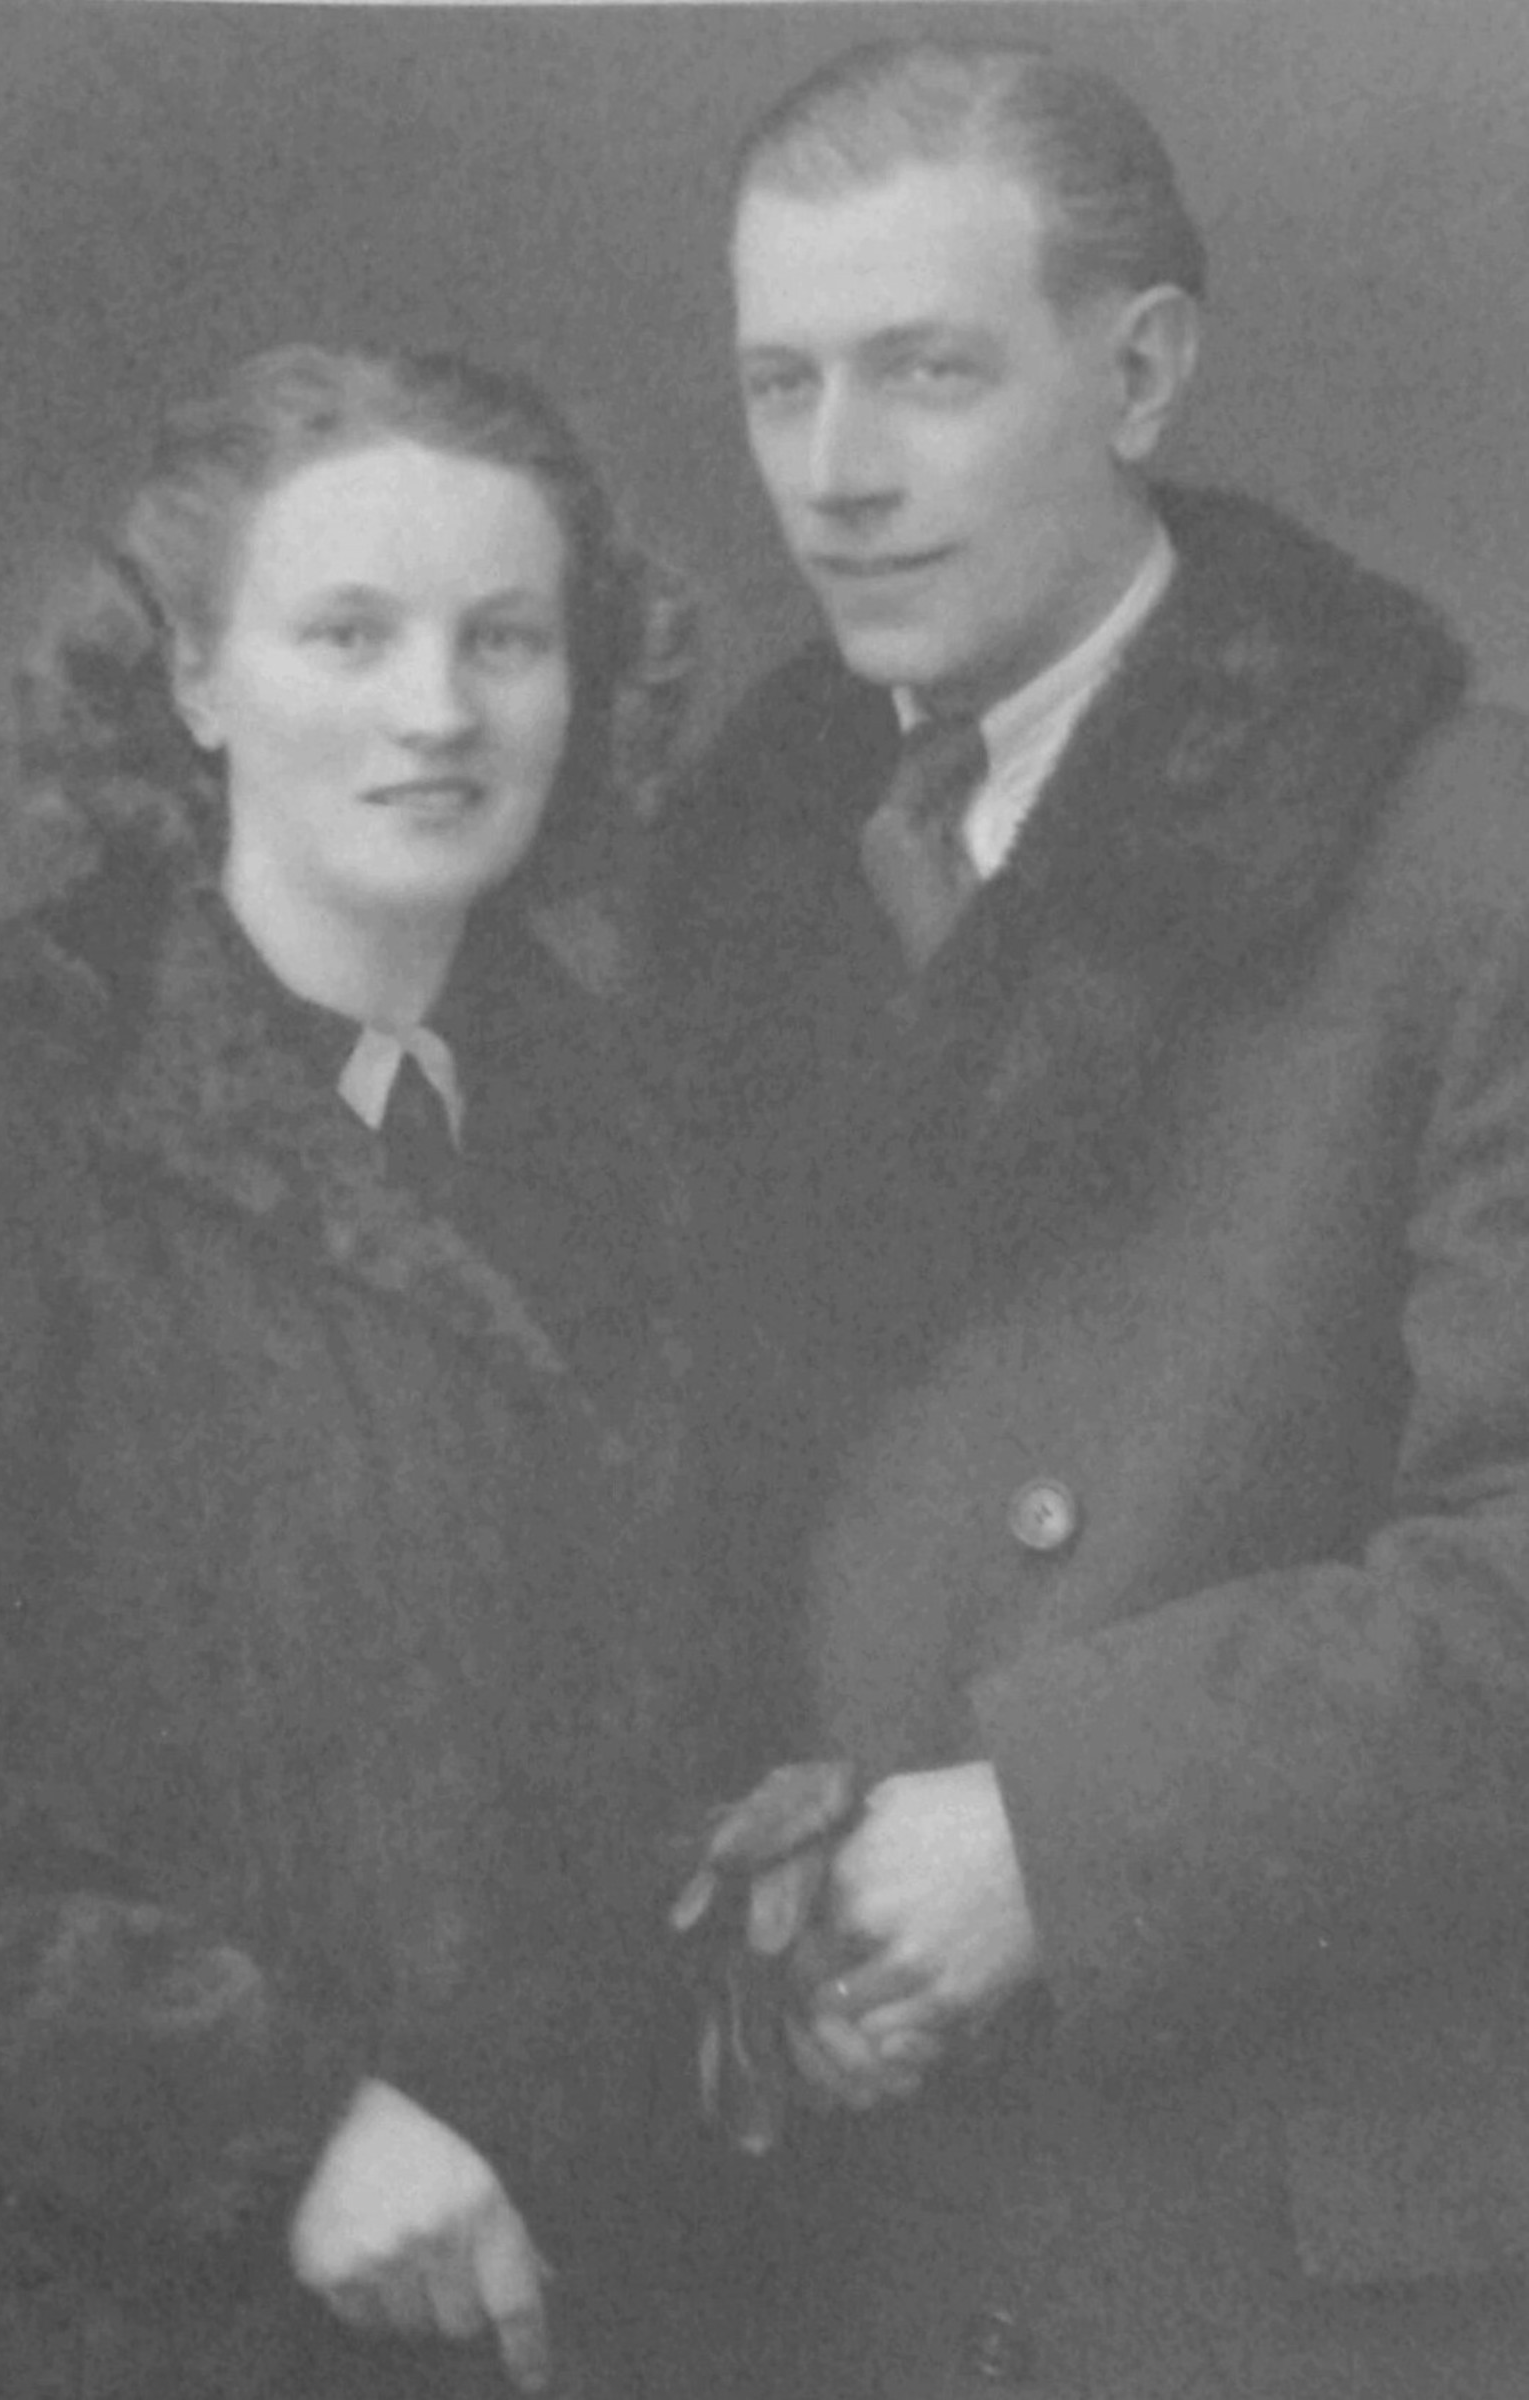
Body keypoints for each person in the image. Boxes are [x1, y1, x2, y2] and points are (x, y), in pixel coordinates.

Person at [651, 37, 1529, 2399]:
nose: (834, 473)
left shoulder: (1473, 860)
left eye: (928, 373)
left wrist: (1056, 1832)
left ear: (1140, 373)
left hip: (1291, 2279)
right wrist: (758, 1885)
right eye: (780, 384)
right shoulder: (734, 898)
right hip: (858, 2258)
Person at [0, 343, 701, 2399]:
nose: (437, 710)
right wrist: (279, 2122)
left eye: (505, 639)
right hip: (125, 2314)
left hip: (587, 2302)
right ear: (192, 678)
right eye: (349, 634)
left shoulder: (627, 1125)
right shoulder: (20, 1100)